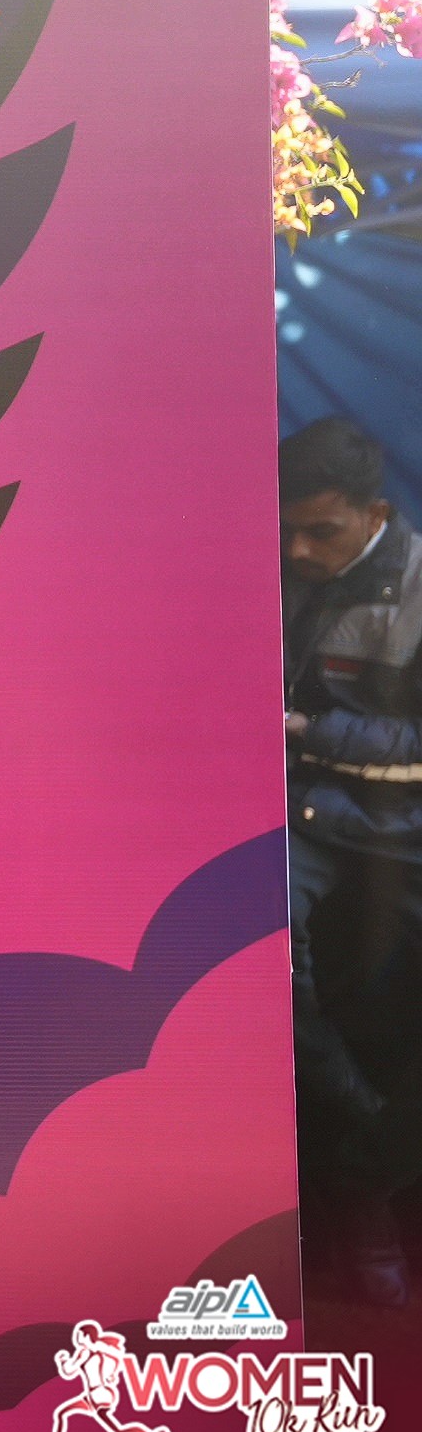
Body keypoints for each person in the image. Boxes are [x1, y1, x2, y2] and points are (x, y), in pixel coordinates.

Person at [282, 415, 422, 1303]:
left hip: (401, 827)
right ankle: (356, 1150)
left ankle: (368, 1179)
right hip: (297, 820)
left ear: (375, 513)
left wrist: (309, 729)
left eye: (320, 531)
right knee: (256, 953)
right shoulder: (276, 567)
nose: (299, 550)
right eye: (287, 531)